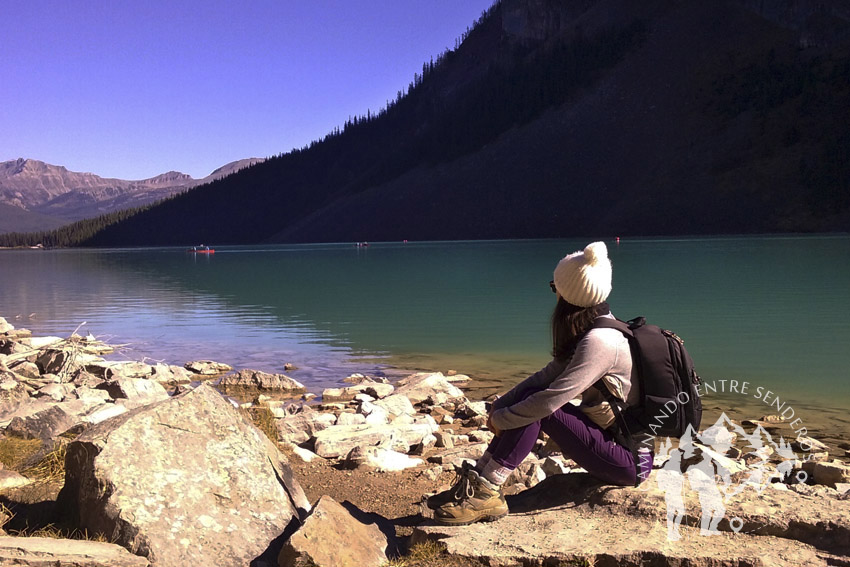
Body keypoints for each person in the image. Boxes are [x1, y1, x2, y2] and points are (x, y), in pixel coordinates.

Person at [429, 241, 653, 525]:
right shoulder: (598, 325)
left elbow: (550, 400)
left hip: (629, 462)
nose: (554, 293)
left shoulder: (601, 342)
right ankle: (476, 484)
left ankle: (486, 491)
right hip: (617, 444)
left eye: (554, 287)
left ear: (568, 294)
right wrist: (503, 404)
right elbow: (548, 375)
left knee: (539, 409)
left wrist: (504, 418)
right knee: (529, 402)